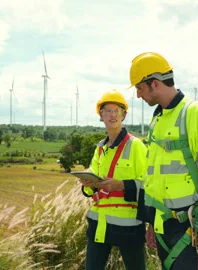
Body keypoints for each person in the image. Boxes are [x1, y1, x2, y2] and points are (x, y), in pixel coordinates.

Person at [128, 52, 198, 269]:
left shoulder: (196, 114)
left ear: (154, 84)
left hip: (190, 226)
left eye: (139, 88)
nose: (138, 95)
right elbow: (153, 175)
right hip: (163, 226)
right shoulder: (158, 118)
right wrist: (151, 222)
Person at [78, 89, 148, 270]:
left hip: (129, 225)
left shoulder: (136, 146)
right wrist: (88, 184)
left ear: (124, 115)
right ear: (100, 115)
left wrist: (122, 185)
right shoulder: (99, 148)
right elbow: (90, 185)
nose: (112, 115)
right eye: (107, 110)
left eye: (117, 110)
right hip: (99, 223)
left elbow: (150, 183)